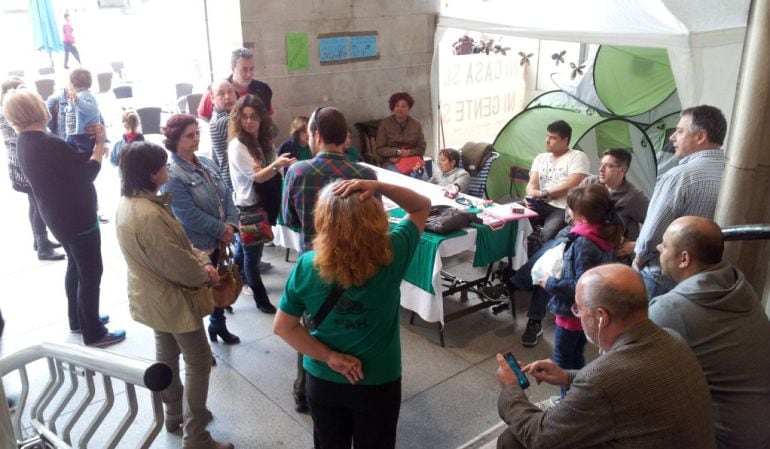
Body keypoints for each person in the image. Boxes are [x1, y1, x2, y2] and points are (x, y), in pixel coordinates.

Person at [274, 178, 430, 449]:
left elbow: (284, 326)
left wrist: (330, 357)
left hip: (324, 379)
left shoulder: (307, 266)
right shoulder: (392, 253)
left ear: (323, 220)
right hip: (378, 380)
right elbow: (421, 206)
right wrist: (379, 187)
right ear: (376, 219)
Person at [495, 264, 716, 449]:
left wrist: (511, 389)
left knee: (512, 441)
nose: (578, 315)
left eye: (579, 309)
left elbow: (539, 437)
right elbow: (628, 387)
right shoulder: (671, 338)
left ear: (601, 317)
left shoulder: (601, 378)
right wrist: (566, 377)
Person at [115, 141, 234, 449]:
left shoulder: (128, 203)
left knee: (166, 354)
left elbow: (176, 249)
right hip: (172, 299)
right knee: (198, 361)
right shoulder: (149, 214)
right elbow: (178, 263)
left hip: (151, 296)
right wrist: (205, 274)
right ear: (152, 174)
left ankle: (173, 414)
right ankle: (195, 435)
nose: (168, 168)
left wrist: (201, 260)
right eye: (164, 166)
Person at [4, 89, 123, 347]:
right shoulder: (49, 143)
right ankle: (94, 332)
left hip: (56, 217)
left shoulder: (24, 141)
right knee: (91, 271)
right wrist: (100, 143)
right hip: (77, 218)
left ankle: (79, 319)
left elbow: (66, 165)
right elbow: (87, 172)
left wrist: (89, 146)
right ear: (36, 109)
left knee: (75, 266)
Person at [282, 106, 377, 413]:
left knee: (310, 327)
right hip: (360, 267)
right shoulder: (366, 174)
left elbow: (289, 220)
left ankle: (305, 391)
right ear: (344, 138)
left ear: (317, 135)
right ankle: (358, 376)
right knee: (356, 323)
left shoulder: (297, 172)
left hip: (315, 267)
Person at [650, 216, 770, 449]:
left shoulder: (670, 309)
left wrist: (569, 377)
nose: (658, 248)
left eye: (664, 245)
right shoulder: (737, 282)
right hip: (759, 426)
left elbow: (629, 374)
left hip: (725, 438)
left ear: (684, 259)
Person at [160, 114, 241, 345]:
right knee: (198, 295)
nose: (196, 139)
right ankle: (200, 343)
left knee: (219, 286)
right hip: (198, 244)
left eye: (197, 133)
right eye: (189, 135)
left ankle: (218, 326)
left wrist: (232, 225)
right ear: (175, 139)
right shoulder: (172, 174)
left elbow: (226, 194)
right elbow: (187, 215)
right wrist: (221, 230)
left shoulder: (206, 161)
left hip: (218, 240)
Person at [634, 105, 726, 298]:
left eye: (680, 131)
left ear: (700, 136)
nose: (672, 137)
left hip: (662, 280)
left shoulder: (679, 177)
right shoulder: (733, 174)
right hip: (708, 282)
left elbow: (650, 237)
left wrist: (637, 261)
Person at [533, 184, 620, 382]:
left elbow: (580, 285)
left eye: (570, 207)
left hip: (571, 313)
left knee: (562, 361)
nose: (568, 211)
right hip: (586, 312)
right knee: (576, 355)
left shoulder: (584, 242)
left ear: (581, 216)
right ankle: (578, 391)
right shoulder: (603, 233)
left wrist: (549, 283)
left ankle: (567, 403)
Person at [228, 95, 295, 313]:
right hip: (248, 207)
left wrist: (281, 165)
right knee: (253, 257)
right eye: (245, 117)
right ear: (238, 118)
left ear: (261, 118)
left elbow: (268, 171)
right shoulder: (238, 145)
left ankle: (229, 288)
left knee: (241, 249)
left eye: (254, 117)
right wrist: (276, 165)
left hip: (262, 203)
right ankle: (260, 299)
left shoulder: (263, 142)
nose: (249, 121)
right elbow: (259, 177)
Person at [0, 78, 64, 260]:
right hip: (25, 166)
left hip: (18, 164)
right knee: (38, 205)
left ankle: (39, 239)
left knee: (34, 203)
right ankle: (43, 246)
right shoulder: (10, 114)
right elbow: (31, 133)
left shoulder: (6, 111)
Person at [525, 120, 590, 246]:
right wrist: (530, 196)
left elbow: (573, 184)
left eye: (553, 138)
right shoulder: (541, 158)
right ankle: (511, 261)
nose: (547, 140)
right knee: (509, 219)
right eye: (547, 136)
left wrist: (542, 193)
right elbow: (532, 183)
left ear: (565, 140)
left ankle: (535, 263)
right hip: (539, 203)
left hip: (562, 208)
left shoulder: (577, 156)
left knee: (548, 234)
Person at [578, 149, 648, 263]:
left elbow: (656, 223)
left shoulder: (633, 196)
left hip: (610, 251)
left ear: (622, 169)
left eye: (608, 166)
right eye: (601, 164)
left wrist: (636, 245)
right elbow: (570, 209)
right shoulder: (589, 183)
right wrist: (585, 229)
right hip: (581, 237)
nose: (601, 170)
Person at [198, 48, 273, 122]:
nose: (249, 74)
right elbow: (202, 116)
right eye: (244, 69)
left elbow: (269, 115)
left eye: (251, 69)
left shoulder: (263, 88)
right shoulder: (216, 90)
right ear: (233, 68)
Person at [375, 92, 426, 172]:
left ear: (409, 108)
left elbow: (421, 148)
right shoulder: (385, 123)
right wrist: (398, 152)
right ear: (393, 107)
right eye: (397, 106)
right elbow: (379, 149)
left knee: (422, 178)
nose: (399, 109)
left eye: (403, 106)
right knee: (400, 178)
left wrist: (408, 153)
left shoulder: (416, 124)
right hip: (391, 161)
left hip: (412, 159)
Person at [64, 68, 101, 154]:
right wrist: (68, 107)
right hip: (71, 134)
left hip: (83, 135)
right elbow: (73, 110)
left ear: (73, 83)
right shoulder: (76, 96)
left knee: (84, 157)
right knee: (68, 154)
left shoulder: (87, 96)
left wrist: (77, 101)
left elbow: (92, 110)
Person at [208, 79, 237, 188]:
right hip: (236, 184)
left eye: (230, 92)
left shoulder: (216, 117)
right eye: (221, 94)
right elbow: (271, 131)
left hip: (231, 181)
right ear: (212, 99)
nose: (227, 97)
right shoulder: (224, 121)